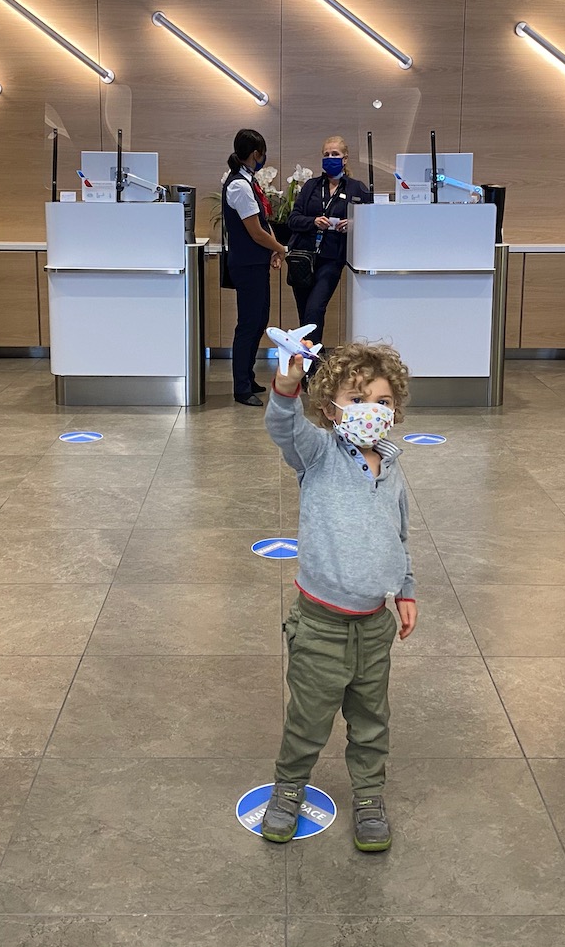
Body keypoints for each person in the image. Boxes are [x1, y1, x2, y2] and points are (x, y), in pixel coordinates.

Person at [260, 339, 417, 853]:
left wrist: (405, 590)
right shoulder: (319, 454)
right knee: (308, 717)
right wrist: (287, 385)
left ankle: (369, 797)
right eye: (356, 399)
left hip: (374, 625)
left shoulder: (392, 470)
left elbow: (398, 535)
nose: (371, 411)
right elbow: (283, 427)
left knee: (371, 718)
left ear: (395, 409)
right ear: (330, 409)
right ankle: (288, 789)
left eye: (382, 401)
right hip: (320, 623)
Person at [287, 136, 373, 347]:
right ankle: (309, 365)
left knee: (315, 309)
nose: (330, 158)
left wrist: (352, 224)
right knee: (305, 315)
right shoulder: (311, 187)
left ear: (345, 159)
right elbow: (293, 219)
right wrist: (313, 221)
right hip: (304, 259)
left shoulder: (356, 188)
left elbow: (371, 220)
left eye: (335, 154)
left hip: (332, 259)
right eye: (326, 155)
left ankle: (313, 368)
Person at [222, 128, 286, 406]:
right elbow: (255, 231)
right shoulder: (238, 185)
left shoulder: (249, 181)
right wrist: (280, 248)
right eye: (263, 153)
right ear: (255, 154)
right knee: (248, 324)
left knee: (259, 320)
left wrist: (273, 250)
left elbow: (264, 224)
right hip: (246, 264)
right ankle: (241, 387)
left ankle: (248, 377)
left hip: (256, 262)